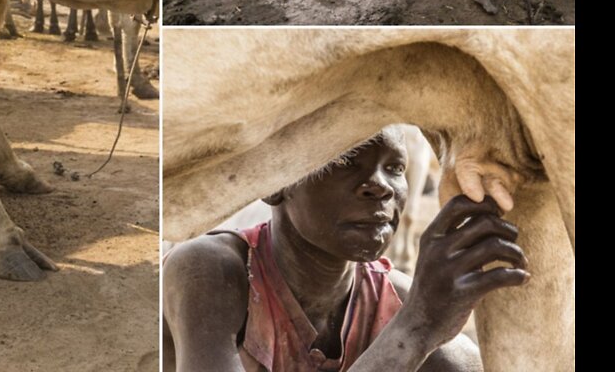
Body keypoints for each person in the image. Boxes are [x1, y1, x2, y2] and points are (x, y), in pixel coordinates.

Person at [163, 128, 529, 371]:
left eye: (395, 168)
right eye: (344, 161)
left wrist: (423, 324)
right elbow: (417, 324)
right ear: (275, 181)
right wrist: (418, 327)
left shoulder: (397, 301)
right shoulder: (210, 271)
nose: (380, 187)